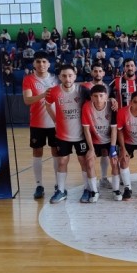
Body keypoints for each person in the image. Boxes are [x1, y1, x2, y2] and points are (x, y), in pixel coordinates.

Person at [44, 64, 89, 204]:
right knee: (62, 161)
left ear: (75, 76)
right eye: (64, 76)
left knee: (83, 161)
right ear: (59, 77)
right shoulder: (54, 91)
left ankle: (87, 189)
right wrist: (55, 121)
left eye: (70, 75)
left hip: (81, 134)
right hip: (63, 134)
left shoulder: (82, 90)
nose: (67, 78)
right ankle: (61, 190)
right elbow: (47, 104)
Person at [22, 51, 59, 199]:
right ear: (34, 64)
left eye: (44, 61)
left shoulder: (56, 79)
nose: (41, 64)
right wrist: (44, 94)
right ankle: (39, 185)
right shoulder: (29, 79)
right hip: (37, 123)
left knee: (56, 153)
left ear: (49, 64)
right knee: (37, 153)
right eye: (38, 61)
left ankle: (58, 184)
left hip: (56, 123)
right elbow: (27, 100)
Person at [82, 85, 120, 202]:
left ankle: (116, 190)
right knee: (89, 161)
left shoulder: (112, 107)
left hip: (109, 139)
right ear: (91, 97)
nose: (98, 99)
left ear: (106, 97)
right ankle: (94, 191)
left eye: (101, 96)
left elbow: (114, 129)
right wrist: (91, 149)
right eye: (95, 96)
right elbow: (86, 130)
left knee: (114, 161)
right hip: (94, 139)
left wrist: (113, 148)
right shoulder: (86, 107)